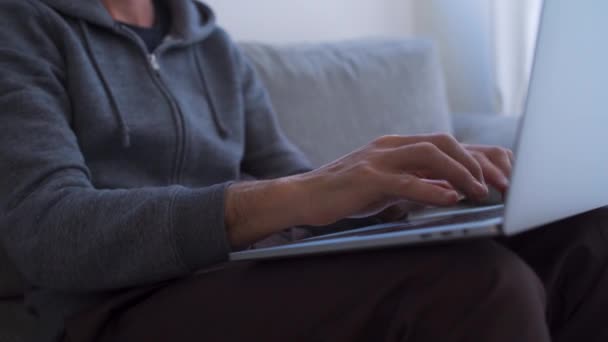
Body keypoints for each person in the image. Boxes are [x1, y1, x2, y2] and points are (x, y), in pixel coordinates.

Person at [0, 0, 606, 341]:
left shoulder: (211, 45)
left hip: (231, 276)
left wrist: (407, 199)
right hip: (109, 307)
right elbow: (49, 233)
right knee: (478, 281)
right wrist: (300, 195)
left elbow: (290, 175)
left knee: (584, 233)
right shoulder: (21, 26)